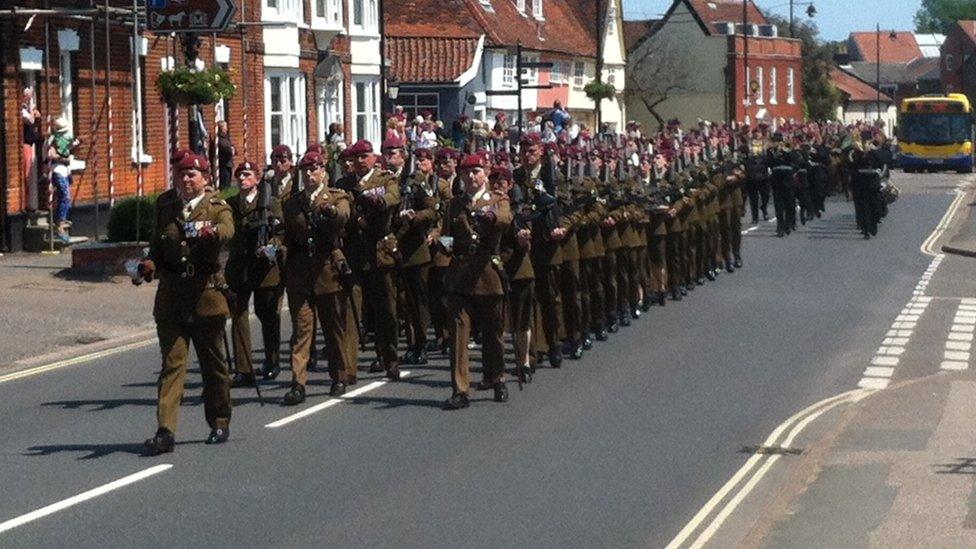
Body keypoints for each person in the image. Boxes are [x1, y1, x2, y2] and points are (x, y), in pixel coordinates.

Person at [138, 152, 235, 455]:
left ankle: (219, 420)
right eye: (181, 174)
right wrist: (149, 264)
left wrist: (213, 233)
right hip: (171, 299)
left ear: (205, 178)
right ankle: (165, 431)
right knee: (172, 365)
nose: (186, 179)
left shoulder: (217, 207)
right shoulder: (166, 205)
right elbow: (157, 246)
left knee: (213, 366)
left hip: (206, 297)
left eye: (193, 174)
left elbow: (228, 231)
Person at [280, 150, 357, 403]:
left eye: (314, 170)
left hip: (327, 269)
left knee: (332, 326)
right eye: (305, 171)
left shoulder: (336, 197)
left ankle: (338, 375)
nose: (310, 174)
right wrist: (278, 249)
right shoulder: (292, 203)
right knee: (302, 330)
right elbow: (287, 236)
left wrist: (331, 213)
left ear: (323, 171)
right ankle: (298, 382)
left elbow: (344, 215)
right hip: (300, 271)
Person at [441, 154, 513, 409]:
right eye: (467, 172)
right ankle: (460, 389)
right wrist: (445, 248)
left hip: (487, 273)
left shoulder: (497, 199)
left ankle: (497, 377)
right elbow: (446, 234)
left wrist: (491, 218)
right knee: (459, 334)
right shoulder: (454, 204)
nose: (471, 177)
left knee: (493, 331)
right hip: (460, 275)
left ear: (485, 173)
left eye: (476, 172)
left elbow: (505, 219)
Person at [335, 140, 402, 380]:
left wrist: (378, 201)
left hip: (380, 251)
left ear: (374, 157)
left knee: (387, 310)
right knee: (352, 312)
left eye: (364, 156)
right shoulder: (344, 184)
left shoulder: (386, 179)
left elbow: (393, 197)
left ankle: (390, 357)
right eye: (356, 158)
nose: (360, 161)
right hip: (355, 252)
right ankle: (349, 368)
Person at [225, 161, 284, 388]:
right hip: (239, 267)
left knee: (267, 313)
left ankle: (272, 360)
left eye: (247, 175)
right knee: (238, 314)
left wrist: (273, 246)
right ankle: (244, 369)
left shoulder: (271, 203)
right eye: (239, 175)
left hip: (264, 268)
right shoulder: (230, 204)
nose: (242, 179)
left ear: (257, 179)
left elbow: (282, 232)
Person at [46, 116, 80, 243]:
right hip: (58, 171)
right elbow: (51, 155)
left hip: (65, 171)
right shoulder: (53, 140)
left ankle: (61, 219)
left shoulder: (62, 139)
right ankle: (59, 224)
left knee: (64, 197)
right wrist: (63, 158)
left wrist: (75, 144)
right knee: (65, 196)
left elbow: (67, 147)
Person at [213, 121, 235, 190]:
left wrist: (232, 149)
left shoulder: (226, 139)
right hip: (223, 166)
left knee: (228, 184)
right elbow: (229, 151)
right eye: (225, 127)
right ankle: (224, 199)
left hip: (228, 165)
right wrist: (231, 149)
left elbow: (235, 150)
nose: (226, 129)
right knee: (224, 186)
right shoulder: (219, 140)